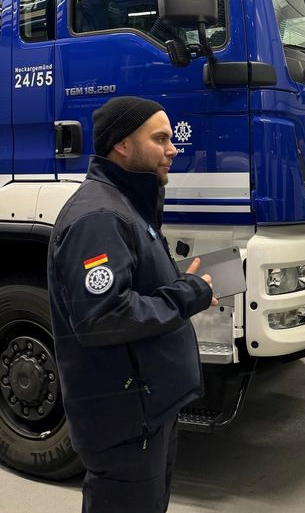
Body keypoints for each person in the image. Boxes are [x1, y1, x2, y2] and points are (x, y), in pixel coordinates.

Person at [47, 97, 217, 513]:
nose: (173, 149)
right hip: (125, 423)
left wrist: (177, 282)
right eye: (160, 139)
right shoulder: (99, 218)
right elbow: (103, 317)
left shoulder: (127, 206)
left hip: (148, 412)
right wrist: (187, 294)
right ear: (122, 145)